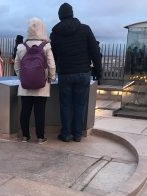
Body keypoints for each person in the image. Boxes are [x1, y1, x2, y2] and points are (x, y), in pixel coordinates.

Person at [50, 3, 102, 142]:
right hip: (83, 73)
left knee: (66, 104)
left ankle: (66, 133)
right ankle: (78, 134)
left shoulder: (55, 34)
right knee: (80, 105)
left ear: (60, 16)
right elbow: (95, 52)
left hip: (65, 73)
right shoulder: (85, 29)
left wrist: (52, 73)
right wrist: (98, 71)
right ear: (72, 14)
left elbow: (52, 56)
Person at [14, 17, 56, 144]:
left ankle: (25, 136)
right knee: (39, 112)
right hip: (41, 85)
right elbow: (51, 65)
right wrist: (50, 78)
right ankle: (40, 137)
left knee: (25, 110)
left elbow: (16, 66)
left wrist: (23, 77)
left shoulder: (21, 47)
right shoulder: (46, 46)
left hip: (25, 85)